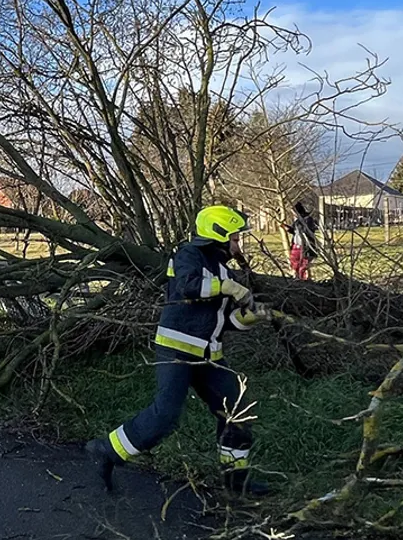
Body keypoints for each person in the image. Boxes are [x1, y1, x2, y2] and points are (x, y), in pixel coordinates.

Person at [85, 205, 271, 496]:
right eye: (235, 238)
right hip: (177, 351)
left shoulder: (222, 269)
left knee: (238, 411)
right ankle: (106, 450)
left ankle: (236, 481)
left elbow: (223, 323)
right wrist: (231, 288)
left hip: (209, 356)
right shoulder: (188, 256)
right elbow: (188, 287)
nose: (239, 244)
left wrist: (251, 317)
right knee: (166, 416)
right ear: (218, 235)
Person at [284, 202, 318, 281]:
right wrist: (287, 228)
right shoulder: (297, 221)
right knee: (294, 261)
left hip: (305, 245)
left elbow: (307, 231)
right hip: (296, 244)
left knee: (303, 263)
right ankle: (296, 277)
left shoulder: (308, 220)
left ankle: (303, 278)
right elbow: (294, 231)